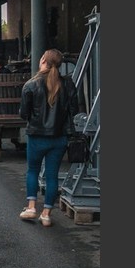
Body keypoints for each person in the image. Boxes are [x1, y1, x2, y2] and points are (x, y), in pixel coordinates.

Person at [17, 49, 79, 227]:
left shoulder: (30, 84)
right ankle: (46, 214)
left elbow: (23, 114)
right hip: (59, 138)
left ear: (43, 60)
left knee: (33, 171)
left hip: (37, 137)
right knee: (52, 176)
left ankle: (31, 208)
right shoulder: (68, 84)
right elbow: (74, 111)